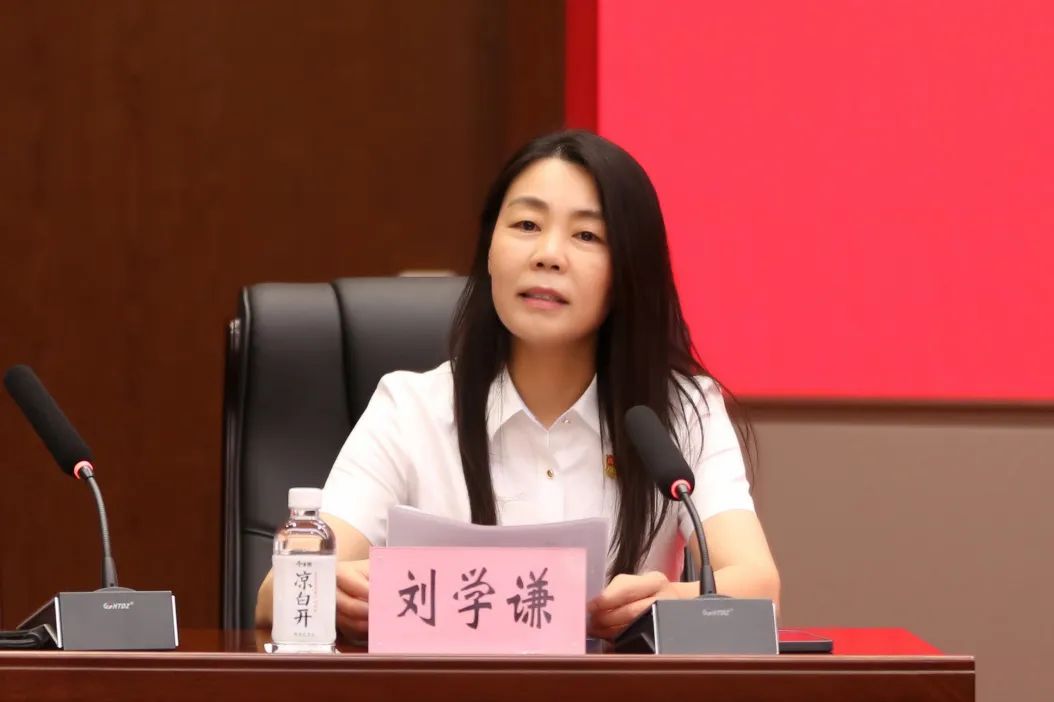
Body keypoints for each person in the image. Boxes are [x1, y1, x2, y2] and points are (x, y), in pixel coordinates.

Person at [255, 130, 780, 640]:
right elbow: (276, 593)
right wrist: (334, 591)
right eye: (527, 224)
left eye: (586, 235)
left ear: (628, 270)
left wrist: (665, 602)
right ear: (490, 249)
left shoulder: (680, 413)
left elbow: (759, 588)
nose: (548, 254)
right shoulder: (409, 410)